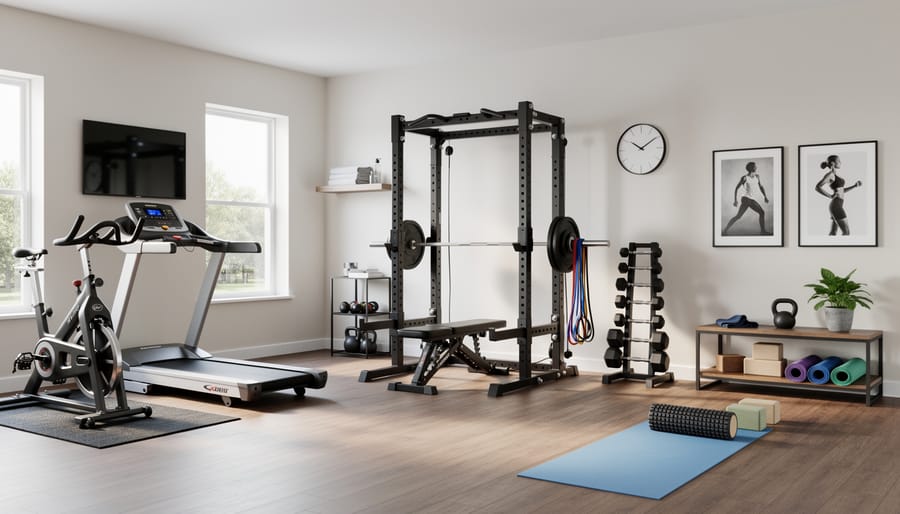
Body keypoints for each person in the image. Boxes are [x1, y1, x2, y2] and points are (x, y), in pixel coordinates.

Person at [814, 155, 862, 235]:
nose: (840, 162)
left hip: (838, 204)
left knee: (833, 232)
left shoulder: (835, 175)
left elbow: (842, 191)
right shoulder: (830, 175)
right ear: (833, 163)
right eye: (839, 161)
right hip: (836, 206)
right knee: (846, 232)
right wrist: (830, 196)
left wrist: (854, 186)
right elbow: (817, 187)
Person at [723, 161, 770, 236]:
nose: (756, 167)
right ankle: (763, 231)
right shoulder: (744, 178)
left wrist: (765, 196)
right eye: (755, 166)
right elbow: (736, 188)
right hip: (746, 199)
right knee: (761, 212)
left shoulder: (757, 176)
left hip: (751, 199)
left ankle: (725, 230)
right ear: (751, 168)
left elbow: (761, 186)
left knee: (738, 216)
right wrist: (735, 200)